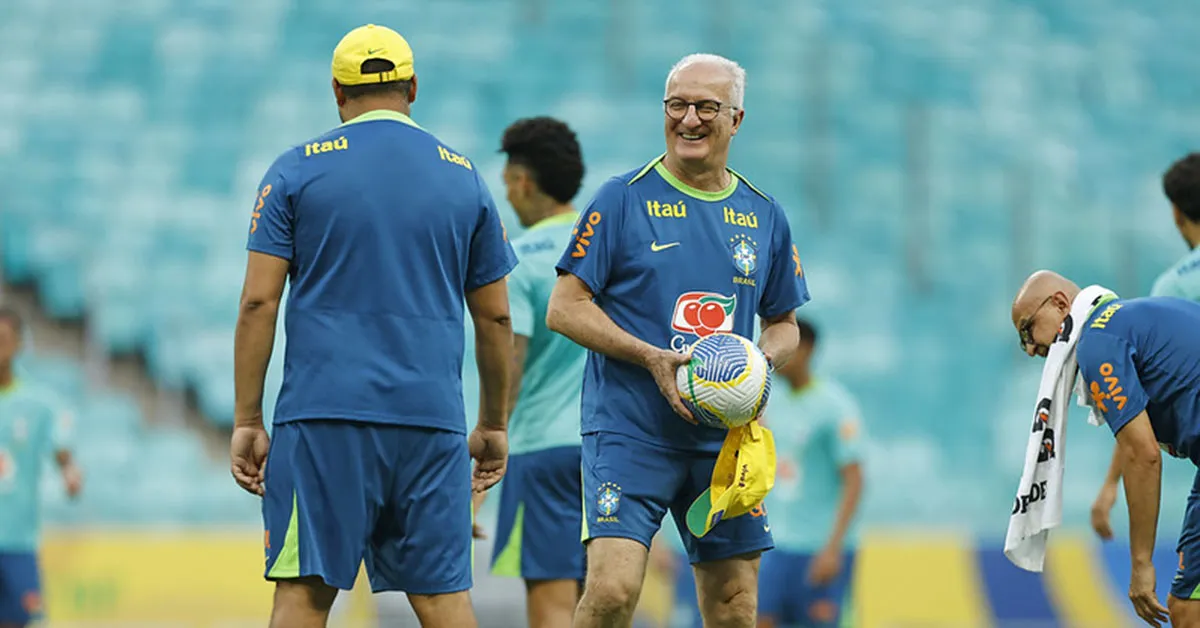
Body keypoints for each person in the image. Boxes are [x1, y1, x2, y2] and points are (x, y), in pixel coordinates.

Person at [230, 24, 517, 628]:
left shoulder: (295, 170)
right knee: (443, 600)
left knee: (304, 596)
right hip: (430, 421)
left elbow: (259, 303)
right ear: (413, 87)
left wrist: (248, 419)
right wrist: (492, 423)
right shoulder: (464, 176)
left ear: (337, 92)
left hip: (323, 418)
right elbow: (495, 314)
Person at [547, 53, 811, 628]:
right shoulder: (621, 199)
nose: (689, 119)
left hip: (723, 441)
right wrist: (649, 356)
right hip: (629, 431)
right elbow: (564, 309)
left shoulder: (764, 214)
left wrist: (756, 364)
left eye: (706, 107)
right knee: (614, 590)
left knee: (735, 605)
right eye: (677, 105)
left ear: (736, 119)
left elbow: (785, 322)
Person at [1011, 270, 1200, 626]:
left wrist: (1141, 564)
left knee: (1189, 611)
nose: (1030, 349)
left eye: (1027, 330)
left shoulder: (1096, 343)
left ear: (1060, 304)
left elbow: (1142, 454)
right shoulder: (1129, 319)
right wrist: (1111, 487)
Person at [477, 116, 588, 628]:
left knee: (553, 610)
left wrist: (480, 474)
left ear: (522, 181)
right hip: (613, 451)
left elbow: (510, 364)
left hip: (541, 452)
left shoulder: (519, 259)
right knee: (609, 598)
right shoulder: (613, 248)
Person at [1092, 153, 1200, 542]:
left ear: (1176, 213)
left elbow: (1134, 402)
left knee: (1186, 602)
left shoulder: (1172, 292)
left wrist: (1109, 487)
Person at [757, 318, 864, 628]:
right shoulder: (767, 401)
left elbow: (854, 479)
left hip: (817, 547)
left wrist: (833, 547)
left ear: (807, 349)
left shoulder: (835, 405)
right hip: (774, 546)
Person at [0, 307, 82, 628]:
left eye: (5, 339)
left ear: (19, 343)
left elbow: (60, 448)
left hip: (18, 540)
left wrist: (70, 471)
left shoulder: (39, 403)